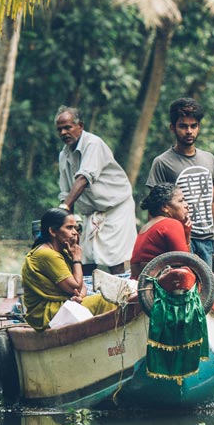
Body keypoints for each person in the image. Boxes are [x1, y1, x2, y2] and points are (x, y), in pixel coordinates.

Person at [144, 97, 214, 270]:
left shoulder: (209, 159)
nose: (189, 131)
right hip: (179, 239)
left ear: (199, 127)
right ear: (172, 127)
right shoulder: (162, 162)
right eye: (183, 126)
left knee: (206, 290)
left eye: (193, 126)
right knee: (181, 288)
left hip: (207, 240)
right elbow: (155, 209)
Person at [55, 106, 136, 286]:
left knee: (114, 259)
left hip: (116, 209)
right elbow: (65, 192)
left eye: (67, 127)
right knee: (84, 257)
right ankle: (88, 298)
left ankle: (119, 301)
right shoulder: (64, 154)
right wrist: (67, 221)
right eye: (60, 129)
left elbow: (84, 178)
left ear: (80, 126)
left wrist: (64, 208)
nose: (63, 132)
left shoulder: (93, 144)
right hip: (91, 213)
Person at [21, 208, 117, 330]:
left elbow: (82, 286)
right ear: (52, 231)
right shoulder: (47, 254)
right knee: (105, 301)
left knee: (110, 297)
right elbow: (75, 286)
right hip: (47, 313)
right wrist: (77, 259)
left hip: (64, 305)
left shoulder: (63, 251)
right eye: (69, 228)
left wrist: (80, 297)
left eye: (76, 228)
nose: (75, 233)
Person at [130, 182, 195, 291]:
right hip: (155, 290)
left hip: (138, 286)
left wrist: (186, 235)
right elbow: (186, 264)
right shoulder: (171, 224)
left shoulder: (147, 226)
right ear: (165, 208)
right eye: (181, 201)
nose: (186, 205)